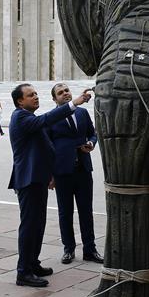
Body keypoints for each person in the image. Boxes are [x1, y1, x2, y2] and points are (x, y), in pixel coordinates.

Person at [8, 83, 91, 287]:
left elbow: (46, 147)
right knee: (29, 226)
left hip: (39, 178)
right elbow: (47, 120)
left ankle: (33, 264)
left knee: (38, 224)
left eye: (36, 94)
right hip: (28, 179)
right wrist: (73, 104)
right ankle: (23, 272)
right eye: (30, 95)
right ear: (20, 101)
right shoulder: (20, 117)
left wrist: (50, 174)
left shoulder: (30, 118)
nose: (36, 97)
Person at [48, 83, 103, 265]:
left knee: (86, 211)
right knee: (65, 212)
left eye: (67, 91)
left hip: (83, 170)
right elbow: (47, 148)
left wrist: (91, 143)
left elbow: (92, 133)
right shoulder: (51, 118)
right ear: (54, 99)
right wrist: (51, 175)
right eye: (60, 93)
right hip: (62, 172)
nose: (65, 94)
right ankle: (68, 249)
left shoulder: (82, 113)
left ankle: (90, 249)